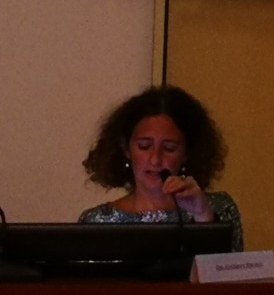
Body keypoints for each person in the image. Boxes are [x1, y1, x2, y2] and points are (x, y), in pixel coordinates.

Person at [78, 85, 243, 252]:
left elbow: (227, 266)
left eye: (169, 148)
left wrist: (203, 216)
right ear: (126, 149)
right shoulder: (97, 222)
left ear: (186, 153)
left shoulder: (220, 209)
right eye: (144, 146)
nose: (155, 159)